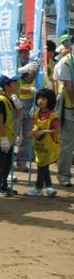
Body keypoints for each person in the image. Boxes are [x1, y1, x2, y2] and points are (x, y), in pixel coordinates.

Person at [0, 74, 22, 197]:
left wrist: (18, 106)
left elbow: (16, 117)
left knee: (7, 164)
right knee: (0, 163)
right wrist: (3, 139)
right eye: (14, 83)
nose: (17, 85)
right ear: (7, 86)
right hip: (1, 137)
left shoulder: (11, 99)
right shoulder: (1, 100)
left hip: (9, 136)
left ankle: (3, 185)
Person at [24, 89, 60, 197]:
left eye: (43, 99)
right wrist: (33, 132)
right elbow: (36, 127)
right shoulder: (37, 114)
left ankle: (38, 188)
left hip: (49, 146)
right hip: (39, 146)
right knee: (43, 166)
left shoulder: (52, 115)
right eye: (39, 98)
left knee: (41, 167)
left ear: (49, 100)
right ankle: (49, 187)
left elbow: (57, 130)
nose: (40, 101)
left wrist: (44, 131)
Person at [14, 43, 38, 172]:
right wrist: (30, 90)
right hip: (18, 101)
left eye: (26, 52)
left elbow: (29, 80)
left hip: (31, 102)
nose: (23, 54)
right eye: (21, 52)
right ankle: (9, 161)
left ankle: (22, 161)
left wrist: (35, 69)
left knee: (27, 134)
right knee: (13, 132)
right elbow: (16, 85)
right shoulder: (17, 64)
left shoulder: (31, 65)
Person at [56, 43, 74, 187]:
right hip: (70, 109)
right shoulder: (67, 62)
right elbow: (68, 87)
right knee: (67, 144)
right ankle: (64, 174)